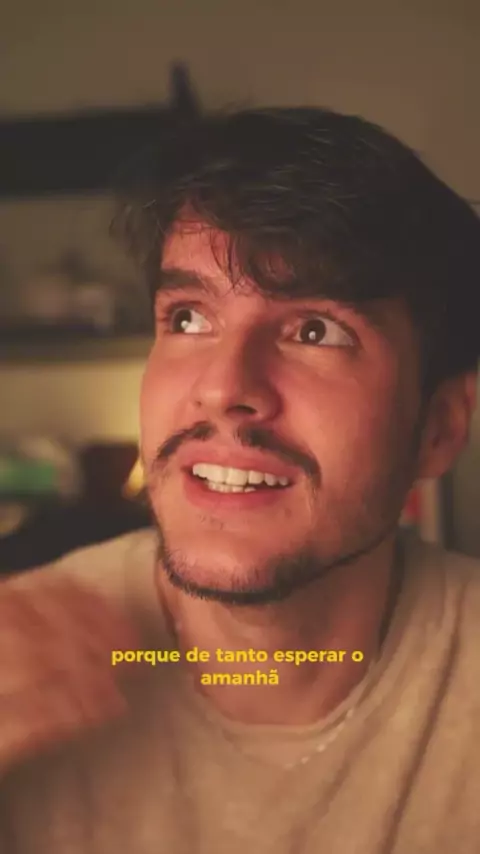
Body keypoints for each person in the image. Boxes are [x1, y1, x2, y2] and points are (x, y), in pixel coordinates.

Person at [1, 105, 480, 854]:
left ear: (439, 428)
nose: (223, 388)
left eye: (316, 330)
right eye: (189, 318)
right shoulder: (19, 659)